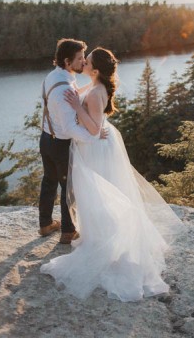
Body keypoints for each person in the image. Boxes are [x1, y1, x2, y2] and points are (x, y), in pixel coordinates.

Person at [40, 47, 184, 302]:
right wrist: (77, 95)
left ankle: (104, 239)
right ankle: (99, 234)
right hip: (100, 144)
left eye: (88, 61)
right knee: (99, 193)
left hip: (95, 147)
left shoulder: (96, 93)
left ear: (94, 71)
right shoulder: (95, 87)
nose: (83, 62)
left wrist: (76, 106)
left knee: (97, 193)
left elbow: (94, 129)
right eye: (83, 59)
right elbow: (90, 101)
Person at [38, 38, 103, 245]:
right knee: (68, 186)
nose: (84, 62)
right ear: (67, 61)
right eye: (80, 58)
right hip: (60, 145)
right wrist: (93, 136)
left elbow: (72, 91)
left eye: (84, 58)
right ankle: (68, 231)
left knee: (49, 180)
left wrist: (88, 87)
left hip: (46, 138)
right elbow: (69, 129)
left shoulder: (54, 76)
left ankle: (45, 224)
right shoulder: (64, 89)